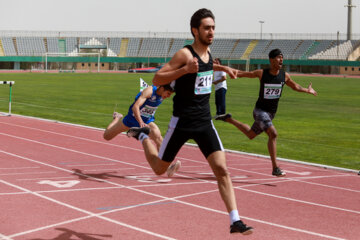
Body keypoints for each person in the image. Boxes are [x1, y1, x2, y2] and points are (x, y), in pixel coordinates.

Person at [127, 8, 253, 235]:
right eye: (207, 28)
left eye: (213, 27)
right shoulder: (184, 55)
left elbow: (206, 68)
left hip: (204, 122)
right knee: (158, 169)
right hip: (181, 123)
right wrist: (184, 69)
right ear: (195, 31)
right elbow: (157, 78)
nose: (211, 31)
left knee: (222, 169)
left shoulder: (208, 53)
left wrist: (224, 67)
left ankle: (235, 220)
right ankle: (142, 135)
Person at [224, 48, 317, 177]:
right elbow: (247, 74)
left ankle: (229, 119)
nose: (281, 60)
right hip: (260, 111)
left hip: (270, 114)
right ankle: (275, 168)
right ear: (271, 60)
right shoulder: (262, 73)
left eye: (282, 58)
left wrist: (307, 90)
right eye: (279, 57)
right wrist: (232, 72)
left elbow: (295, 86)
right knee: (273, 134)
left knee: (251, 134)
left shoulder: (284, 76)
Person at [103, 84, 180, 177]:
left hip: (147, 121)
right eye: (168, 93)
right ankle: (117, 118)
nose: (168, 96)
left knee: (158, 136)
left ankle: (167, 167)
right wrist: (140, 122)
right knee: (106, 136)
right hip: (131, 120)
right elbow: (135, 107)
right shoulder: (149, 91)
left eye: (170, 95)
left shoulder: (161, 95)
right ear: (162, 88)